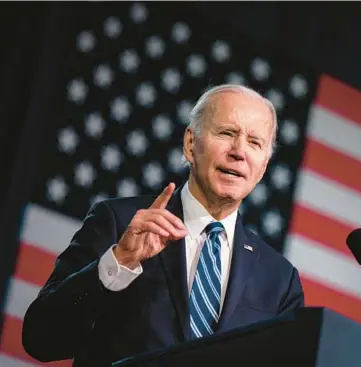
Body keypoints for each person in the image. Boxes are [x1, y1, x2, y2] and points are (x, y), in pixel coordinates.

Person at [22, 84, 305, 366]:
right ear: (190, 144)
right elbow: (41, 339)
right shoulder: (118, 221)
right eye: (227, 133)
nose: (239, 151)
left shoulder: (279, 280)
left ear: (263, 166)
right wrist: (118, 262)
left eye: (255, 142)